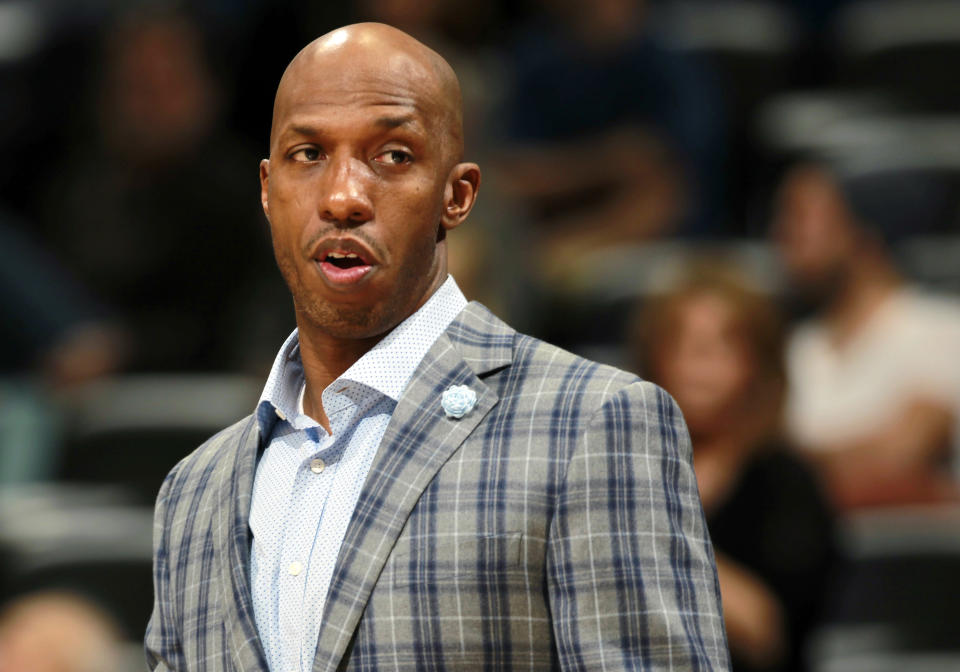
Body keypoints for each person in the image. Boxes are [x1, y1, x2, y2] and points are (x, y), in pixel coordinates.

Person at [145, 23, 729, 671]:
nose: (342, 197)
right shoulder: (191, 493)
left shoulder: (594, 422)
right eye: (308, 154)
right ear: (265, 189)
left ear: (458, 195)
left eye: (393, 155)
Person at [634, 262, 835, 672]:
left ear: (759, 364)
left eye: (724, 342)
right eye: (682, 341)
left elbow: (765, 633)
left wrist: (644, 533)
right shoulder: (614, 465)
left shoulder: (786, 482)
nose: (700, 358)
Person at [773, 162, 960, 510]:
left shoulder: (940, 327)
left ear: (863, 231)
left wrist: (789, 464)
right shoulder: (791, 347)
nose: (782, 234)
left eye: (801, 217)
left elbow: (900, 457)